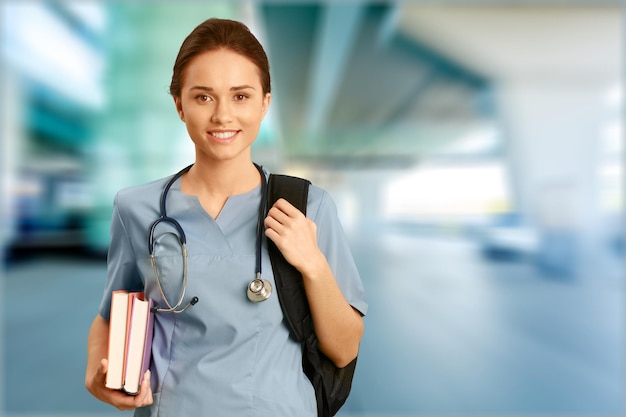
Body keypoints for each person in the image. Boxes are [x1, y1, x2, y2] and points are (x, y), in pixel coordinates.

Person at [84, 17, 367, 416]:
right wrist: (98, 374)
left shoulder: (308, 206)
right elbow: (112, 316)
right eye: (203, 97)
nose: (222, 116)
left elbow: (344, 349)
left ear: (265, 103)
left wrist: (314, 265)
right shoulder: (136, 208)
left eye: (240, 96)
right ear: (179, 105)